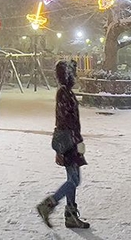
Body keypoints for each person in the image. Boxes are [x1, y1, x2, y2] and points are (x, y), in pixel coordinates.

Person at [37, 60, 90, 229]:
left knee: (72, 179)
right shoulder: (64, 93)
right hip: (69, 142)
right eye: (72, 74)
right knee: (74, 180)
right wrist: (75, 141)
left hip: (71, 140)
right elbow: (66, 120)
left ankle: (70, 215)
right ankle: (49, 204)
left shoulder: (66, 91)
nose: (75, 77)